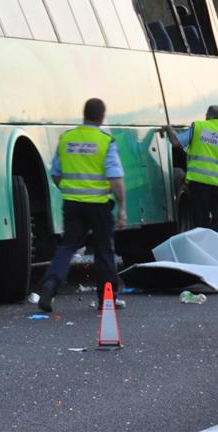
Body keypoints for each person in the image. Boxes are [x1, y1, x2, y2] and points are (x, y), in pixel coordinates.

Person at [37, 98, 127, 313]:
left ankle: (50, 284)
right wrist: (122, 208)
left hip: (72, 204)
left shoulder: (67, 138)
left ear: (84, 114)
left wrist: (70, 189)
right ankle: (107, 299)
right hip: (99, 206)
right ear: (102, 117)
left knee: (67, 247)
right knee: (104, 250)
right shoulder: (105, 141)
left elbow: (56, 174)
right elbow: (115, 179)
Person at [165, 105, 218, 237]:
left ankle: (202, 248)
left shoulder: (199, 127)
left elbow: (176, 142)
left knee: (200, 224)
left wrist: (168, 129)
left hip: (200, 185)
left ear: (208, 116)